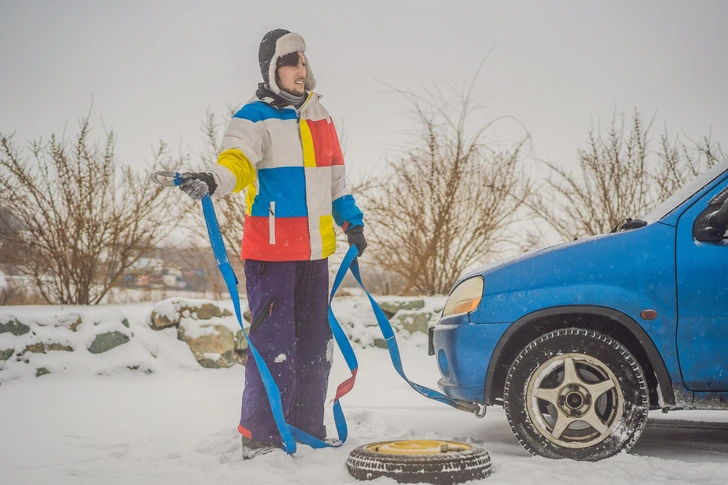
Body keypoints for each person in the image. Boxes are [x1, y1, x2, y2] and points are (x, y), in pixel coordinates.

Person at [178, 29, 367, 459]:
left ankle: (303, 427)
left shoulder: (321, 118)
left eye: (303, 61)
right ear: (272, 69)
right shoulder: (253, 116)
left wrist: (351, 222)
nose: (301, 70)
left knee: (315, 345)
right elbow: (237, 162)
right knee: (275, 346)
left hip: (315, 255)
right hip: (272, 255)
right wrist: (213, 181)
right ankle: (261, 437)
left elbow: (336, 179)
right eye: (290, 62)